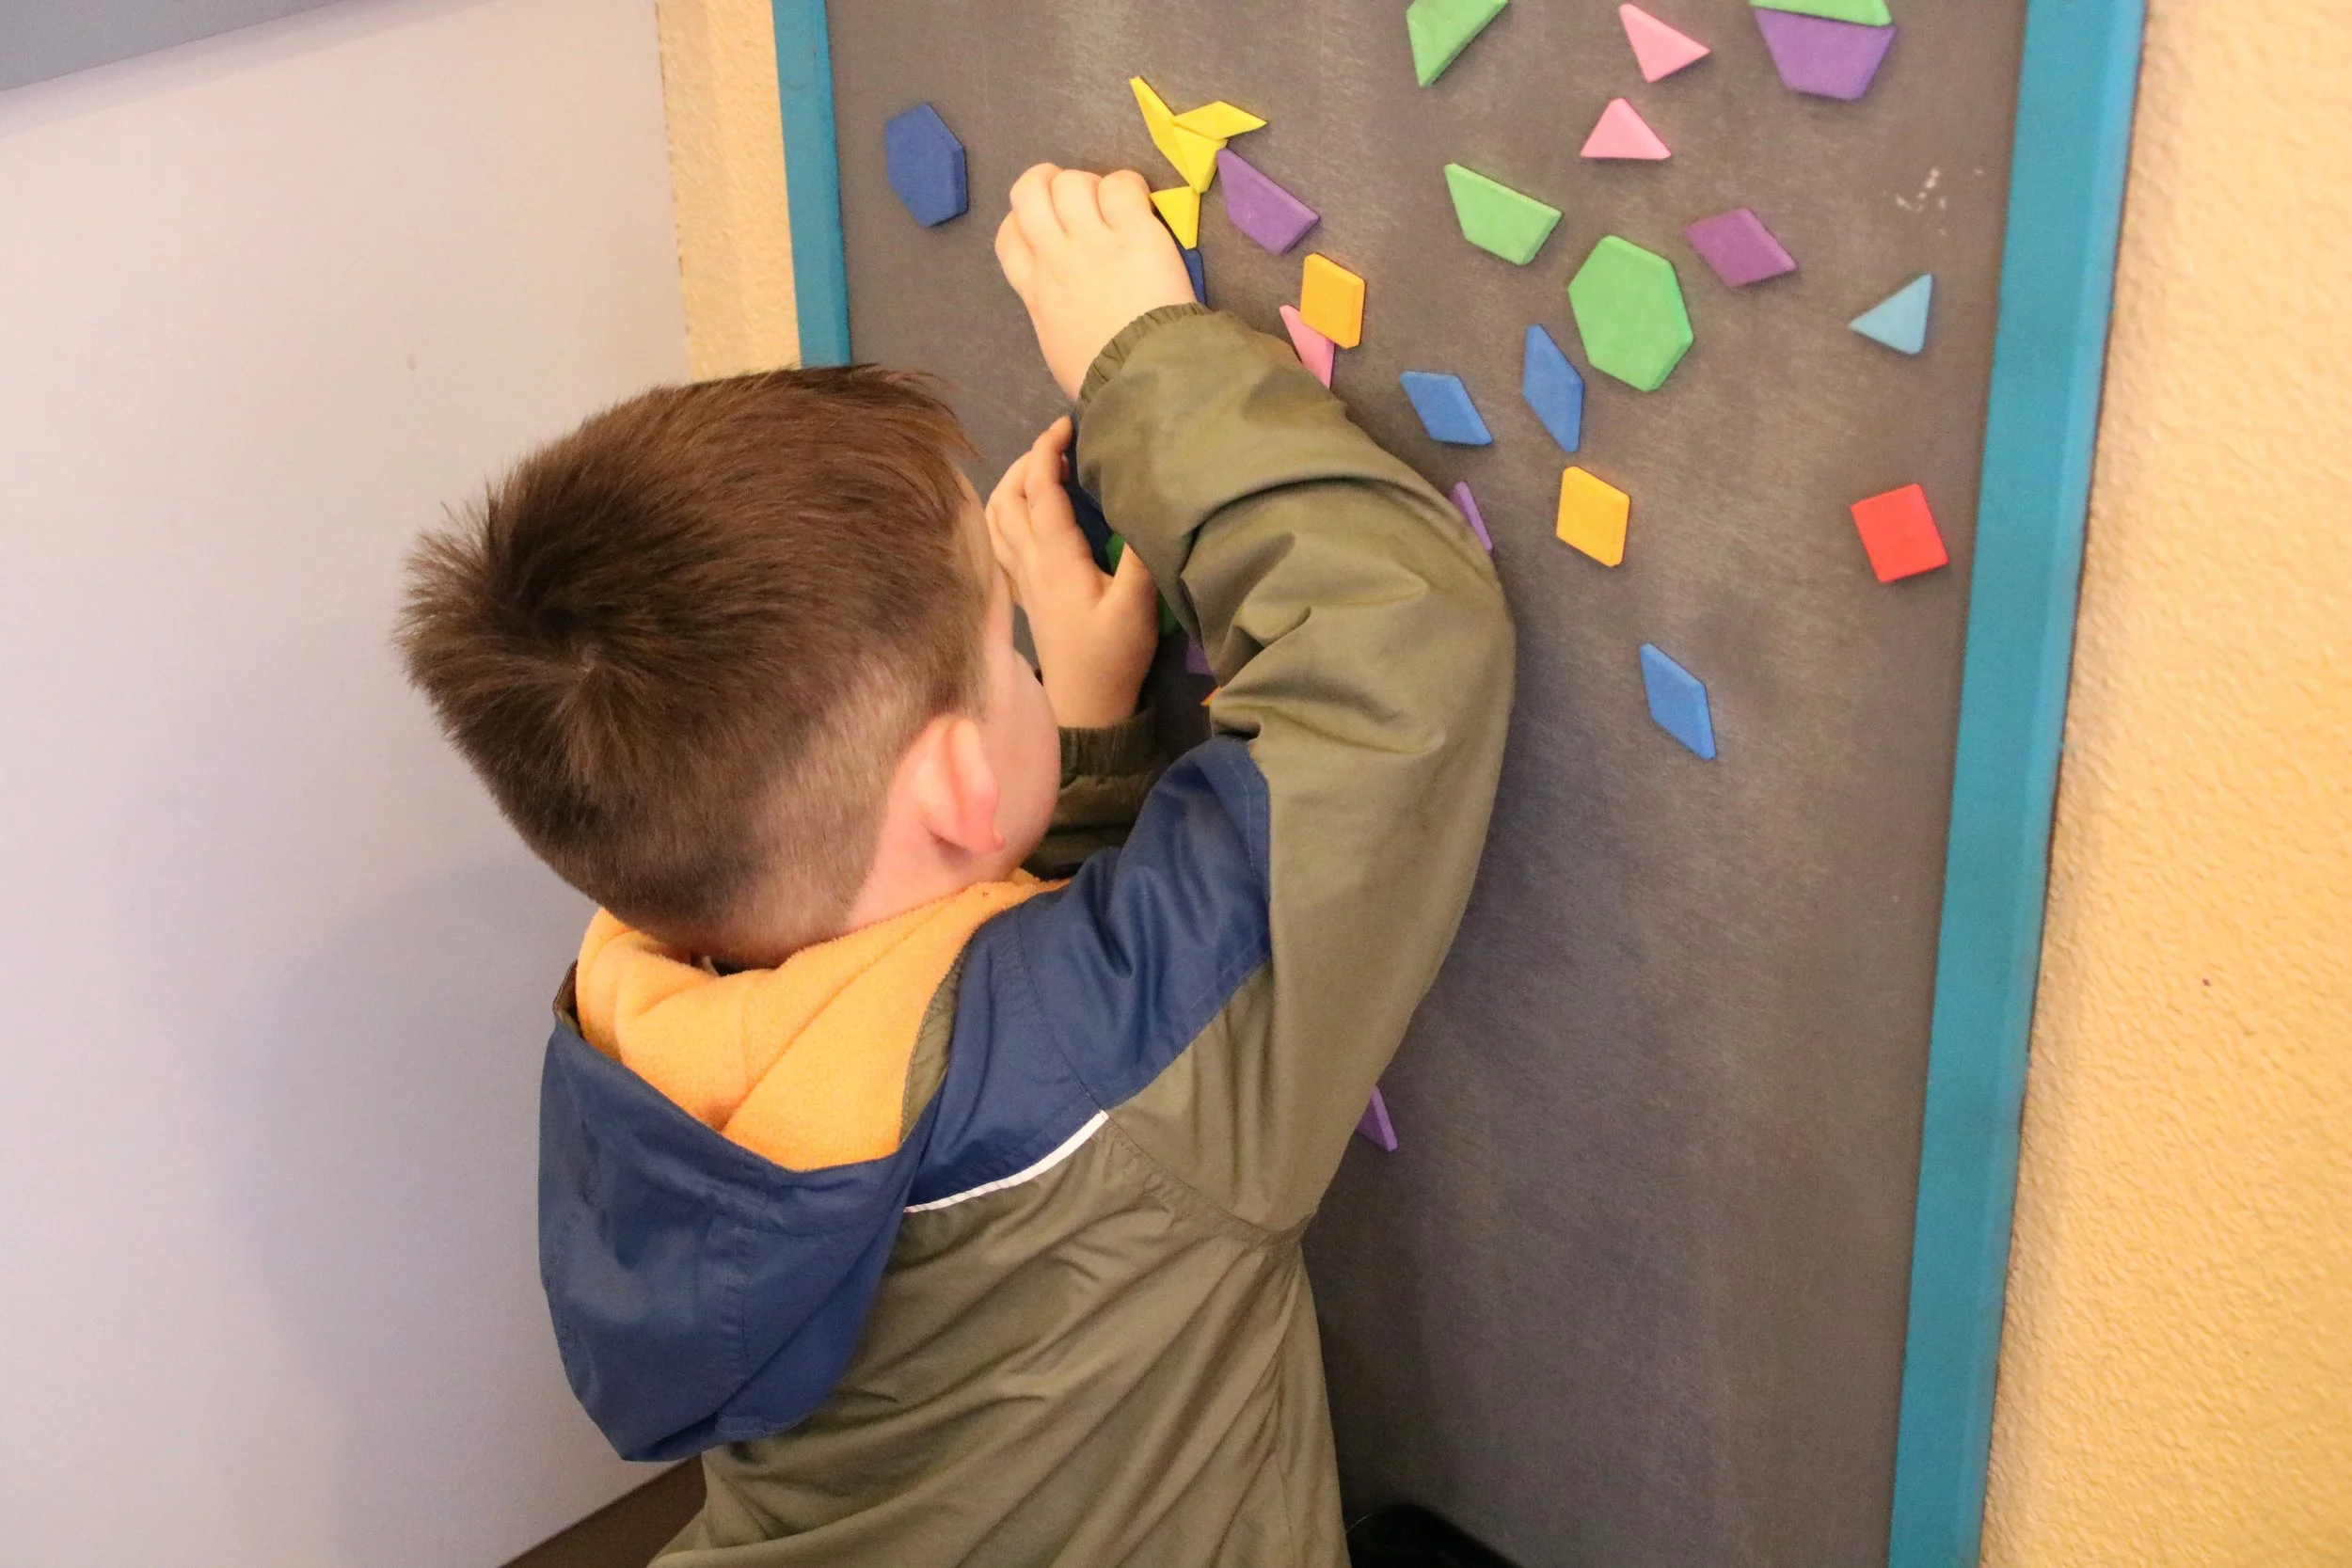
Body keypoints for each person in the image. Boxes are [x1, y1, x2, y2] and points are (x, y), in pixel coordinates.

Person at [398, 162, 1513, 1566]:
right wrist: (1141, 362)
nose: (1019, 649)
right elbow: (1396, 650)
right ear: (961, 785)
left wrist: (1085, 740)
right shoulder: (1122, 1078)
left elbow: (935, 1015)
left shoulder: (640, 1057)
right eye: (1000, 640)